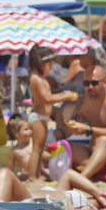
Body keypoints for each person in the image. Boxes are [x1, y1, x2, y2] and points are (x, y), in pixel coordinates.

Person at [60, 67, 106, 179]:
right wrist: (72, 126)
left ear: (105, 82)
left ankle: (81, 178)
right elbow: (74, 122)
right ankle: (96, 167)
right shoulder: (85, 100)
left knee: (103, 140)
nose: (90, 87)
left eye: (94, 83)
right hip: (92, 150)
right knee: (63, 145)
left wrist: (89, 129)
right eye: (86, 83)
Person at [25, 47, 78, 181]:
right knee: (37, 149)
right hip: (38, 117)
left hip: (40, 117)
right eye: (49, 65)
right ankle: (32, 177)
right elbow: (47, 99)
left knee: (40, 148)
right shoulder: (36, 78)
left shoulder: (39, 78)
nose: (50, 68)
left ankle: (37, 173)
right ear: (41, 63)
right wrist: (65, 96)